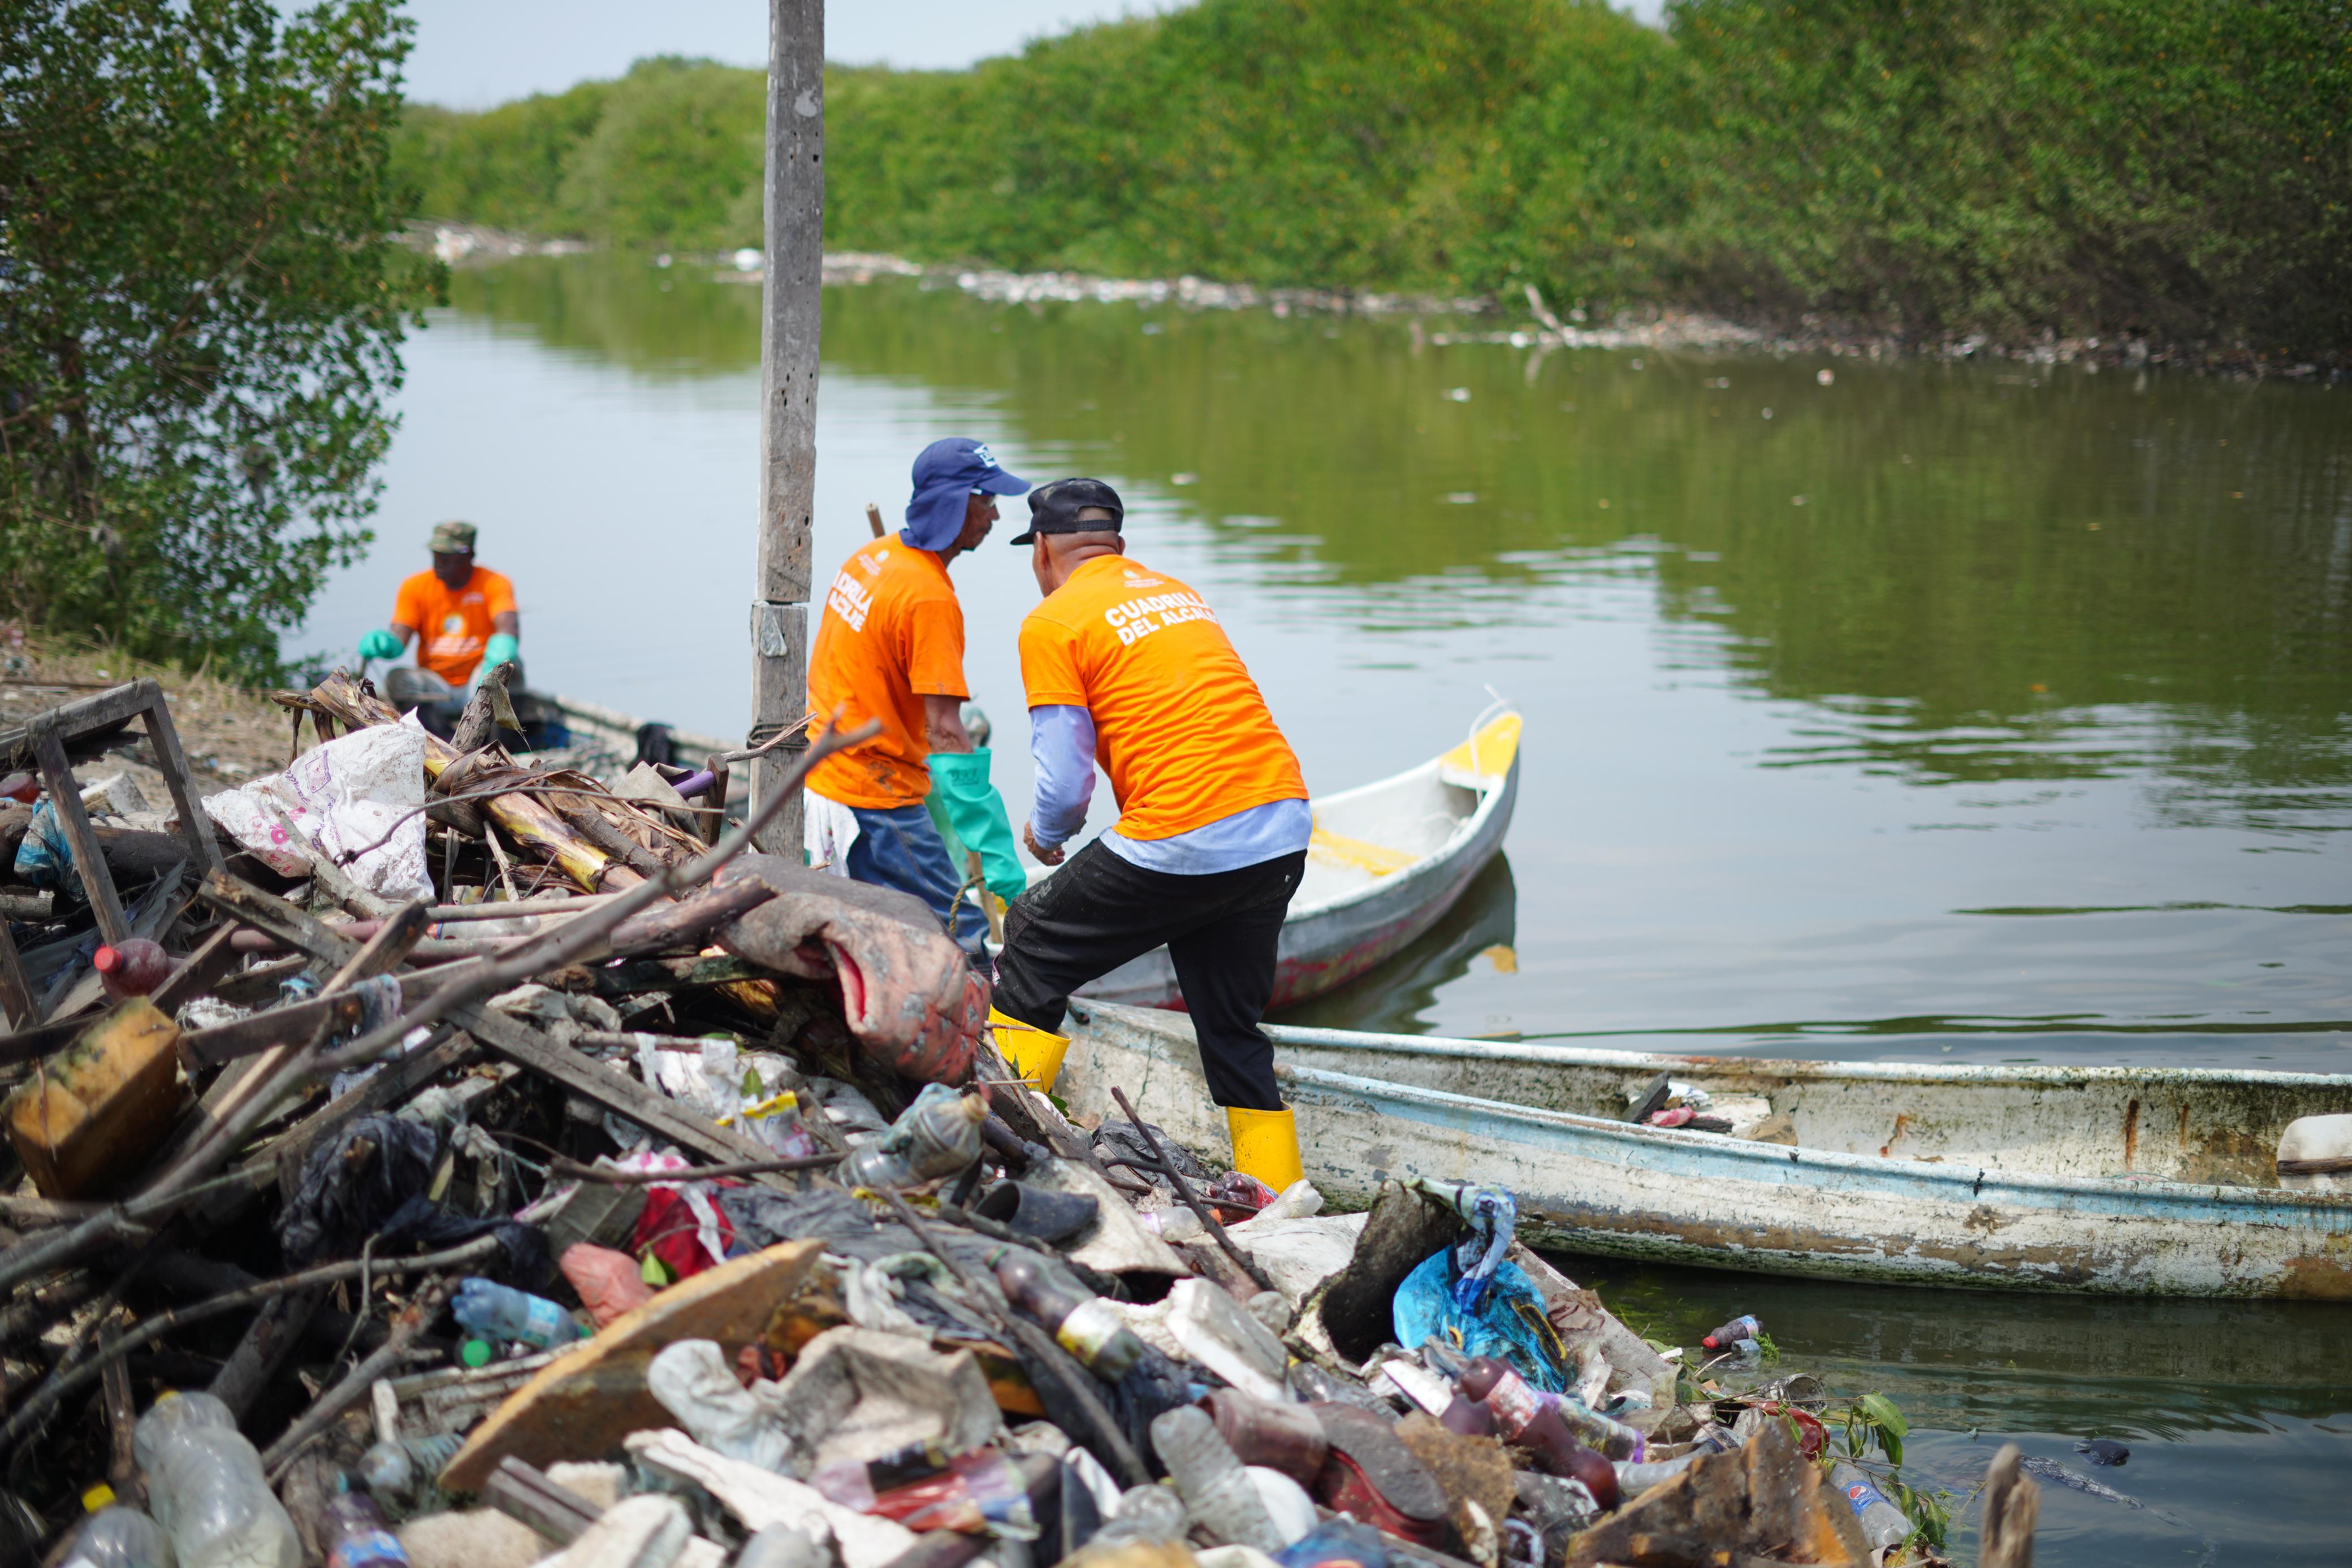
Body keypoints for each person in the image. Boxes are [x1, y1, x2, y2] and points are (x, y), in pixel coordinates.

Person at [992, 478, 1313, 1190]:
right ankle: (1276, 1195)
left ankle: (995, 1144)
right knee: (1230, 1029)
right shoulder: (1177, 592)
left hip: (1186, 830)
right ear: (1117, 546)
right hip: (1279, 823)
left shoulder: (1053, 621)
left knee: (1033, 939)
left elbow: (1064, 780)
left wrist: (1048, 837)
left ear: (1041, 549)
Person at [804, 437, 1030, 954]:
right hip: (874, 797)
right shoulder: (929, 598)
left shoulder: (874, 557)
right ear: (958, 503)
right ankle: (992, 1027)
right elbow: (946, 731)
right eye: (989, 501)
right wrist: (991, 840)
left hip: (824, 768)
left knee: (876, 928)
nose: (996, 517)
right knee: (963, 934)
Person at [358, 520, 519, 736]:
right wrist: (385, 644)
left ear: (468, 555)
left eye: (448, 556)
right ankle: (439, 737)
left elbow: (507, 629)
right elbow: (400, 638)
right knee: (398, 678)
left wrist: (501, 652)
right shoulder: (415, 586)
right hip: (437, 686)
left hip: (479, 680)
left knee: (509, 668)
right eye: (436, 554)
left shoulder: (494, 583)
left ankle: (494, 742)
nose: (440, 561)